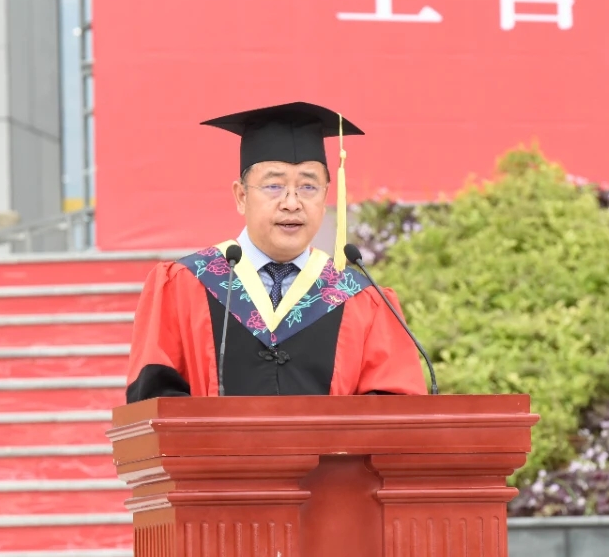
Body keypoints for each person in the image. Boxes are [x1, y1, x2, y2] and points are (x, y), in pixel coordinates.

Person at [125, 101, 427, 401]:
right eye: (273, 186)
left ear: (325, 198)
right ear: (241, 196)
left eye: (308, 187)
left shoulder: (361, 300)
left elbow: (395, 413)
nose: (291, 203)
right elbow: (152, 404)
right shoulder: (185, 285)